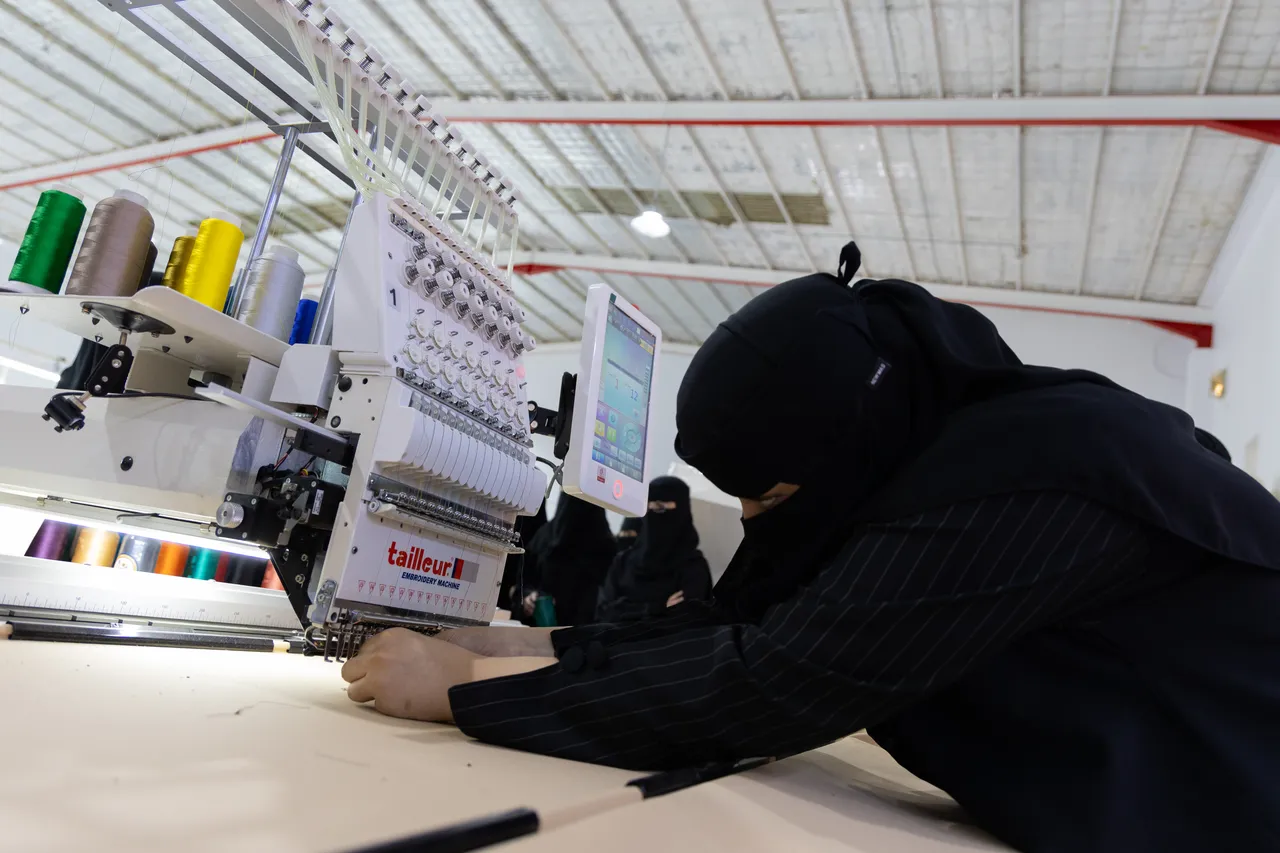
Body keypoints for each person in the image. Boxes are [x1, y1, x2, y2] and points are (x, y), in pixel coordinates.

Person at [341, 242, 1280, 852]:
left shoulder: (1032, 476)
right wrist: (516, 642)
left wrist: (461, 691)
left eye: (770, 494)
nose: (755, 520)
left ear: (841, 441)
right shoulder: (916, 441)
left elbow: (774, 679)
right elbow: (747, 614)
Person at [595, 476, 712, 622]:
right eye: (647, 508)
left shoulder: (693, 567)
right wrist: (657, 609)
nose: (651, 515)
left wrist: (626, 609)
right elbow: (604, 613)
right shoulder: (623, 562)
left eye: (659, 508)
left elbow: (684, 620)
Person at [521, 493, 616, 626]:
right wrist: (529, 597)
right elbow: (525, 580)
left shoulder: (606, 546)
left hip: (589, 628)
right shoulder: (544, 537)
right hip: (544, 625)